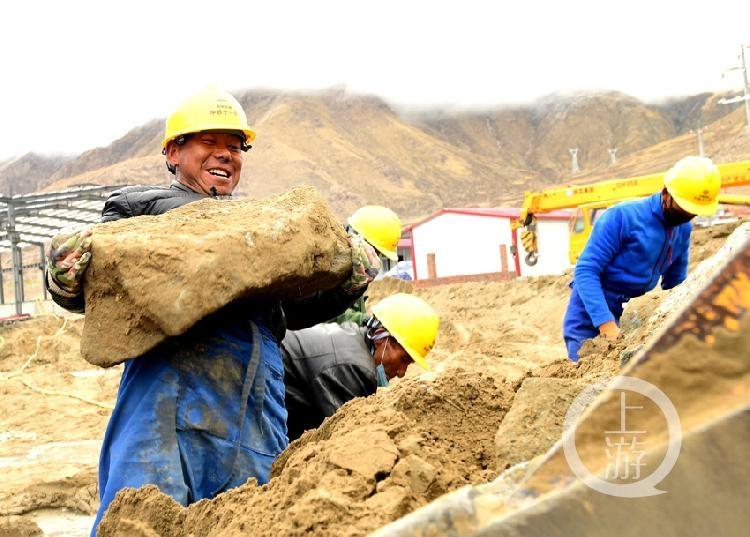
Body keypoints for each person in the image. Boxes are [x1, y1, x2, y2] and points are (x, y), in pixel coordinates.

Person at [44, 86, 381, 534]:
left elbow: (297, 306)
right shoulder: (139, 211)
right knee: (142, 516)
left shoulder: (266, 224)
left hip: (256, 404)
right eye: (209, 142)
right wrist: (64, 273)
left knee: (248, 521)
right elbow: (98, 287)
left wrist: (350, 278)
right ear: (173, 152)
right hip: (168, 394)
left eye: (234, 146)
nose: (225, 154)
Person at [563, 155, 721, 361]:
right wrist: (606, 323)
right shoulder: (622, 217)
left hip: (634, 315)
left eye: (693, 212)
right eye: (683, 207)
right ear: (666, 193)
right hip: (590, 312)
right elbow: (586, 270)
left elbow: (675, 285)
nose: (687, 215)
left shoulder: (683, 229)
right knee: (588, 384)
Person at [283, 293, 438, 441]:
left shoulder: (356, 338)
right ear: (380, 337)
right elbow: (349, 436)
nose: (401, 372)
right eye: (404, 359)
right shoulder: (354, 368)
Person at [331, 205, 402, 326]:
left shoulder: (355, 269)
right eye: (376, 251)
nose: (376, 257)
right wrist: (363, 320)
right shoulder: (331, 266)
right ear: (359, 240)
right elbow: (319, 315)